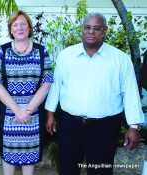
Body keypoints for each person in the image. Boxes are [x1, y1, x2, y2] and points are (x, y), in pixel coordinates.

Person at [45, 12, 145, 175]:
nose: (91, 32)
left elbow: (130, 93)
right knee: (68, 170)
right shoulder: (66, 56)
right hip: (71, 125)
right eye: (87, 27)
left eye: (96, 28)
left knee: (101, 171)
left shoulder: (120, 59)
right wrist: (49, 113)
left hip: (104, 128)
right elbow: (56, 86)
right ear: (82, 30)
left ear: (105, 30)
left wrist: (133, 126)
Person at [0, 10, 53, 175]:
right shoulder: (2, 51)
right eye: (15, 25)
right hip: (7, 114)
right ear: (10, 30)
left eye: (23, 24)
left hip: (32, 113)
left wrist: (28, 110)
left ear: (29, 28)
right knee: (8, 154)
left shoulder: (41, 51)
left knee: (30, 154)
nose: (19, 28)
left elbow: (46, 83)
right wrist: (17, 110)